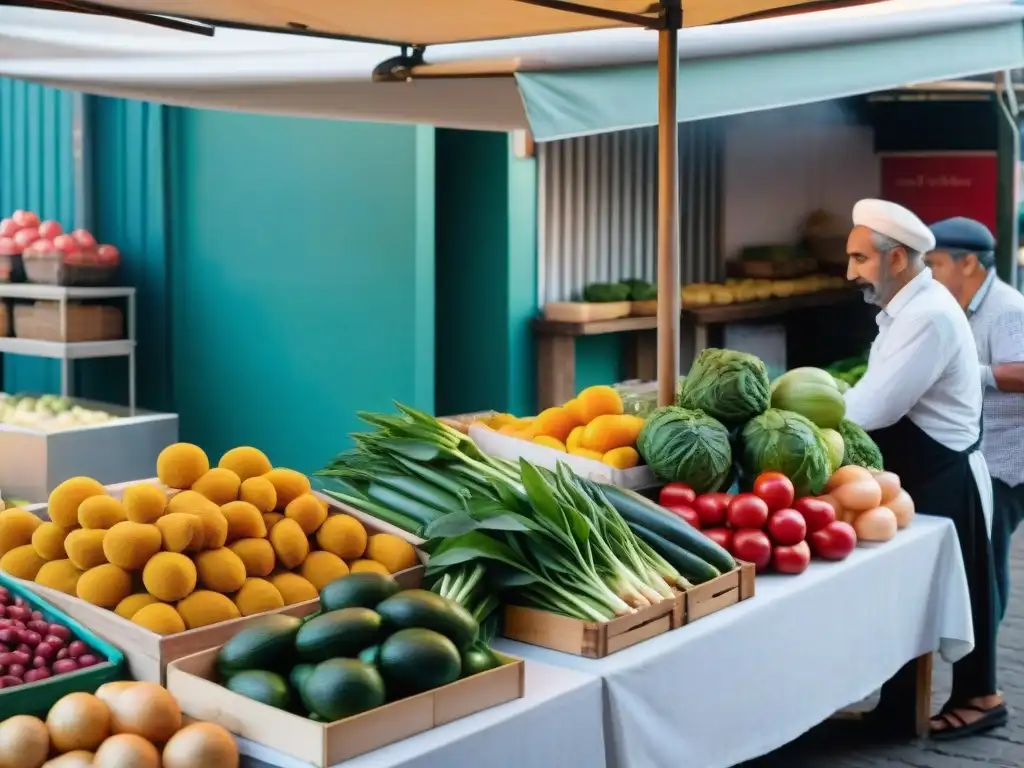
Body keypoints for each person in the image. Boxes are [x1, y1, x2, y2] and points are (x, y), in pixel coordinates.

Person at [843, 199, 1003, 740]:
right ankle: (898, 706)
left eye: (860, 258)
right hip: (919, 468)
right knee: (912, 596)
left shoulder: (928, 315)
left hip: (942, 473)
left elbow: (873, 409)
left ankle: (982, 699)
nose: (852, 272)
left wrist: (811, 409)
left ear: (896, 260)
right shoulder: (909, 310)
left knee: (962, 592)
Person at [926, 217, 1024, 630]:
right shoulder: (957, 306)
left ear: (968, 264)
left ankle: (983, 673)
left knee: (988, 554)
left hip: (1006, 462)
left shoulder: (1006, 309)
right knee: (980, 554)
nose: (928, 274)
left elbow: (1020, 371)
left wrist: (968, 372)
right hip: (978, 456)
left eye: (934, 264)